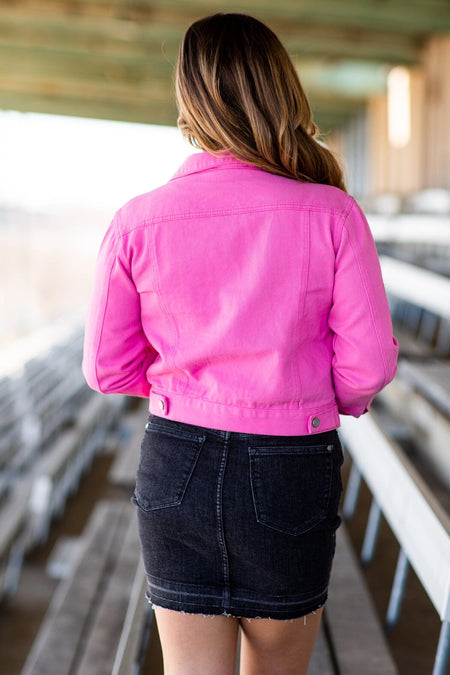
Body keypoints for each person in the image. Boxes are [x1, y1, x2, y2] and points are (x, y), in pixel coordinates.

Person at [82, 13, 398, 675]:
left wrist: (187, 383)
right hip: (291, 468)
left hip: (177, 466)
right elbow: (368, 365)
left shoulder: (137, 220)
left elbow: (106, 368)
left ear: (189, 102)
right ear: (282, 91)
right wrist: (305, 392)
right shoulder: (334, 213)